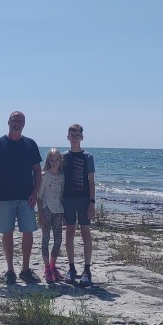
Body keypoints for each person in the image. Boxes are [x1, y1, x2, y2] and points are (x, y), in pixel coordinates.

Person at [0, 110, 43, 285]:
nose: (16, 123)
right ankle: (10, 270)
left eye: (20, 121)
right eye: (14, 120)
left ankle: (25, 270)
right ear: (8, 121)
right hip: (4, 198)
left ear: (24, 124)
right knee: (7, 233)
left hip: (27, 198)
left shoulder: (30, 144)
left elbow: (37, 172)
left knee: (28, 233)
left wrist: (35, 193)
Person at [63, 123, 96, 287]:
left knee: (85, 231)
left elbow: (91, 181)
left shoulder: (88, 157)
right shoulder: (63, 157)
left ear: (82, 137)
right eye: (72, 134)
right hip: (67, 199)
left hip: (84, 199)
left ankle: (87, 270)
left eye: (78, 135)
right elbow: (52, 174)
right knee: (69, 231)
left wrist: (92, 202)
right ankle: (71, 268)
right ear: (67, 137)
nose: (75, 137)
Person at [37, 148, 66, 283]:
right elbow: (39, 195)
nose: (54, 162)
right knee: (46, 238)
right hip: (46, 209)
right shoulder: (44, 175)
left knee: (58, 240)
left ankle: (53, 265)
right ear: (48, 160)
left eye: (56, 160)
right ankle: (46, 268)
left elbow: (62, 195)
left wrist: (64, 213)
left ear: (60, 160)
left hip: (58, 210)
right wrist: (40, 214)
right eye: (51, 160)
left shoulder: (62, 176)